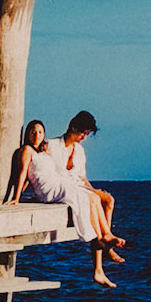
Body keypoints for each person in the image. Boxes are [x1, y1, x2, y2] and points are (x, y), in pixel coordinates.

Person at [42, 110, 127, 288]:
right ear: (73, 127)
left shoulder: (79, 151)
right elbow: (48, 173)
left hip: (79, 186)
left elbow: (82, 176)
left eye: (87, 134)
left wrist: (93, 189)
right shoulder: (52, 146)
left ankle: (107, 245)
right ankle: (104, 245)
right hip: (64, 188)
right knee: (93, 201)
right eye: (83, 133)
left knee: (108, 200)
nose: (84, 137)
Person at [4, 119, 48, 204]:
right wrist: (16, 198)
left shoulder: (44, 151)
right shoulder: (27, 150)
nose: (37, 136)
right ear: (28, 134)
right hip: (46, 190)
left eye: (40, 132)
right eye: (33, 132)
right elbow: (23, 173)